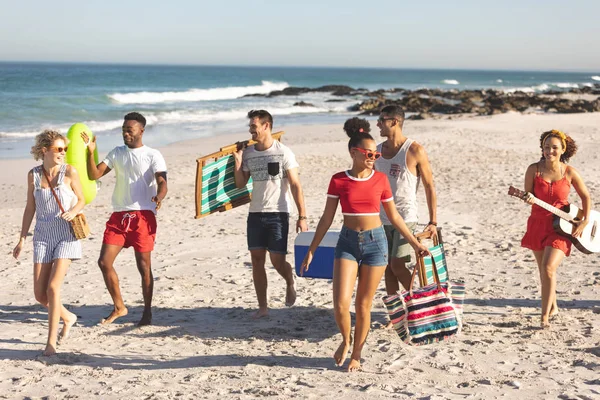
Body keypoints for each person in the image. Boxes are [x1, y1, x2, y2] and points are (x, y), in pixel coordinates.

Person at [300, 118, 430, 372]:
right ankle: (346, 340)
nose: (373, 157)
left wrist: (415, 243)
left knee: (363, 305)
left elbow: (393, 216)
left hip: (375, 243)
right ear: (354, 153)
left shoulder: (380, 180)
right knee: (340, 304)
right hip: (347, 242)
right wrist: (312, 249)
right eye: (369, 153)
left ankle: (356, 354)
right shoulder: (338, 180)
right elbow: (327, 218)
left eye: (376, 154)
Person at [83, 112, 168, 326]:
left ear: (141, 131)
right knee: (104, 262)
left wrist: (159, 196)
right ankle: (119, 307)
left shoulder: (152, 154)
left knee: (144, 266)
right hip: (119, 216)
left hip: (143, 215)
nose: (125, 133)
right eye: (123, 130)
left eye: (129, 130)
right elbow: (94, 174)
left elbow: (162, 180)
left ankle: (147, 312)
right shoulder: (117, 153)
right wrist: (90, 153)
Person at [13, 130, 85, 356]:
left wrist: (73, 211)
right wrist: (22, 238)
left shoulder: (70, 172)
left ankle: (50, 343)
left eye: (65, 149)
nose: (63, 153)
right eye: (58, 149)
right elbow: (30, 208)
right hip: (42, 236)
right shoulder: (33, 175)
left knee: (53, 288)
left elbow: (82, 200)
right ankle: (69, 317)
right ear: (44, 150)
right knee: (40, 295)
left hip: (66, 234)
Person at [233, 109, 308, 319]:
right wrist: (238, 162)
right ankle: (263, 307)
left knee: (276, 261)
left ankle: (289, 280)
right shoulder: (248, 153)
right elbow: (240, 184)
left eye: (254, 127)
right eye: (250, 127)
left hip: (278, 213)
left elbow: (295, 185)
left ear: (266, 126)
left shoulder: (284, 152)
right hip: (255, 213)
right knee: (257, 260)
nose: (251, 131)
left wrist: (302, 216)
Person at [521, 129, 591, 329]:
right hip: (537, 224)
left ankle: (544, 317)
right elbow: (528, 195)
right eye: (546, 147)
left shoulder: (569, 172)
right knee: (544, 272)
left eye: (554, 147)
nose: (549, 151)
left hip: (561, 227)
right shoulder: (533, 170)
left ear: (562, 149)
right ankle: (553, 307)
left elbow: (586, 197)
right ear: (541, 149)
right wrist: (527, 198)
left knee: (548, 267)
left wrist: (584, 221)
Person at [375, 105, 438, 300]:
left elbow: (429, 186)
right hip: (380, 218)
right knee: (387, 267)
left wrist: (433, 221)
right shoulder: (376, 152)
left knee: (397, 264)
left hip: (405, 217)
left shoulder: (414, 150)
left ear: (394, 122)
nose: (377, 124)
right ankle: (397, 312)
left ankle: (422, 299)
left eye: (381, 120)